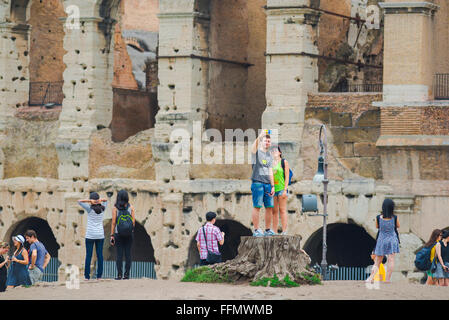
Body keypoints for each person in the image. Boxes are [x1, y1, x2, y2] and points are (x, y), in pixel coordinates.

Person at [366, 198, 400, 283]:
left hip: (382, 239)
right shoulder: (395, 217)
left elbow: (377, 227)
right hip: (392, 239)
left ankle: (370, 278)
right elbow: (398, 226)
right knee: (391, 259)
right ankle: (387, 279)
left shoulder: (378, 218)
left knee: (377, 261)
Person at [78, 192, 108, 280]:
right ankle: (99, 276)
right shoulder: (103, 208)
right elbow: (105, 200)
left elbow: (79, 201)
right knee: (100, 255)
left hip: (90, 235)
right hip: (100, 235)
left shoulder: (89, 208)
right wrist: (99, 200)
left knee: (88, 255)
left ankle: (87, 276)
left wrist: (90, 201)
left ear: (91, 200)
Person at [250, 130, 275, 237]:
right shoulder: (256, 153)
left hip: (268, 184)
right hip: (257, 183)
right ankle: (256, 229)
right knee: (257, 206)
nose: (267, 142)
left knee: (269, 207)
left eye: (269, 141)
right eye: (265, 140)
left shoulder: (269, 155)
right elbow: (253, 148)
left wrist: (273, 185)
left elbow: (270, 171)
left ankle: (268, 229)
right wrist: (259, 137)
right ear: (261, 142)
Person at [110, 189, 135, 280]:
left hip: (118, 234)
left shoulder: (115, 208)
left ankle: (119, 275)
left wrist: (112, 235)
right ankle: (127, 275)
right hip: (129, 235)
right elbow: (133, 222)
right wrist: (130, 230)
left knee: (119, 255)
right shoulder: (131, 207)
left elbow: (113, 223)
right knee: (128, 254)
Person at [270, 145, 289, 235]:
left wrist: (285, 190)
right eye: (272, 151)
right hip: (274, 189)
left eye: (276, 151)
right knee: (274, 211)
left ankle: (284, 230)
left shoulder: (283, 162)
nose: (274, 152)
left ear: (280, 152)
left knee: (282, 210)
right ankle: (274, 230)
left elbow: (287, 177)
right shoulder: (270, 163)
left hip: (281, 189)